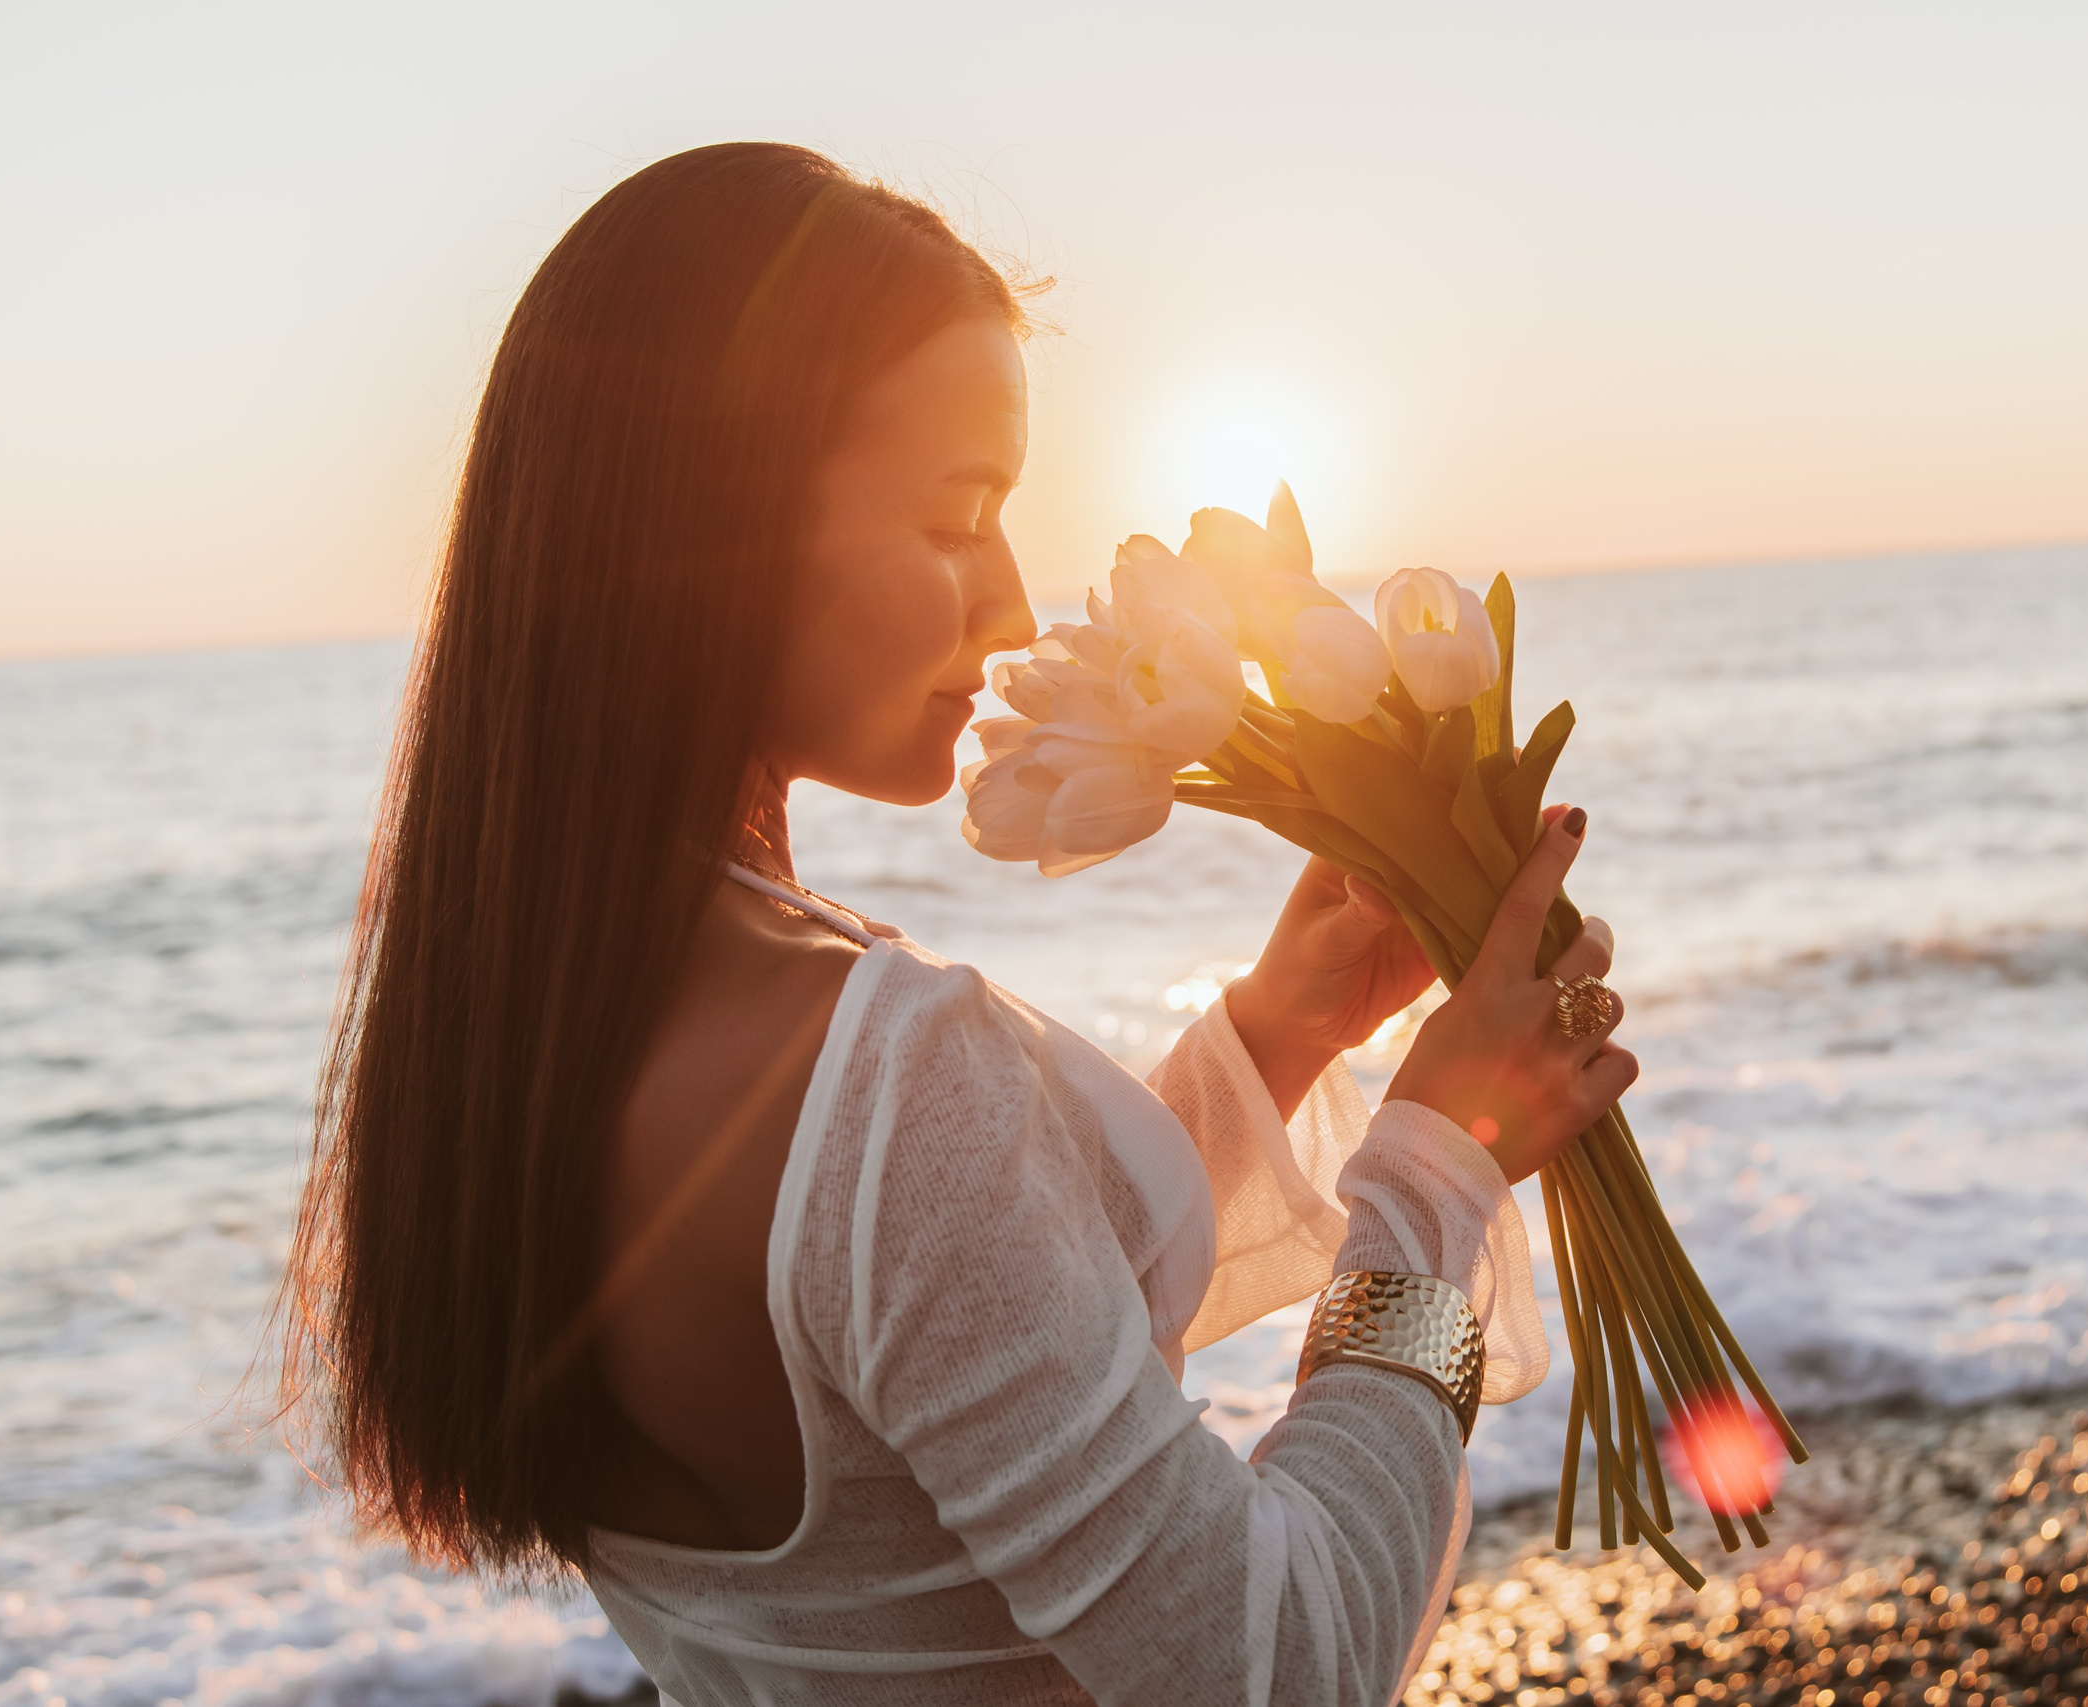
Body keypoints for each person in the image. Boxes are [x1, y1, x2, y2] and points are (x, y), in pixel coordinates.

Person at [279, 142, 1634, 1706]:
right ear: (705, 526)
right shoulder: (882, 1072)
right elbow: (1283, 1669)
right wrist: (1438, 1169)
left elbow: (951, 1361)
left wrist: (1282, 1031)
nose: (1006, 603)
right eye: (954, 519)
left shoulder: (513, 1021)